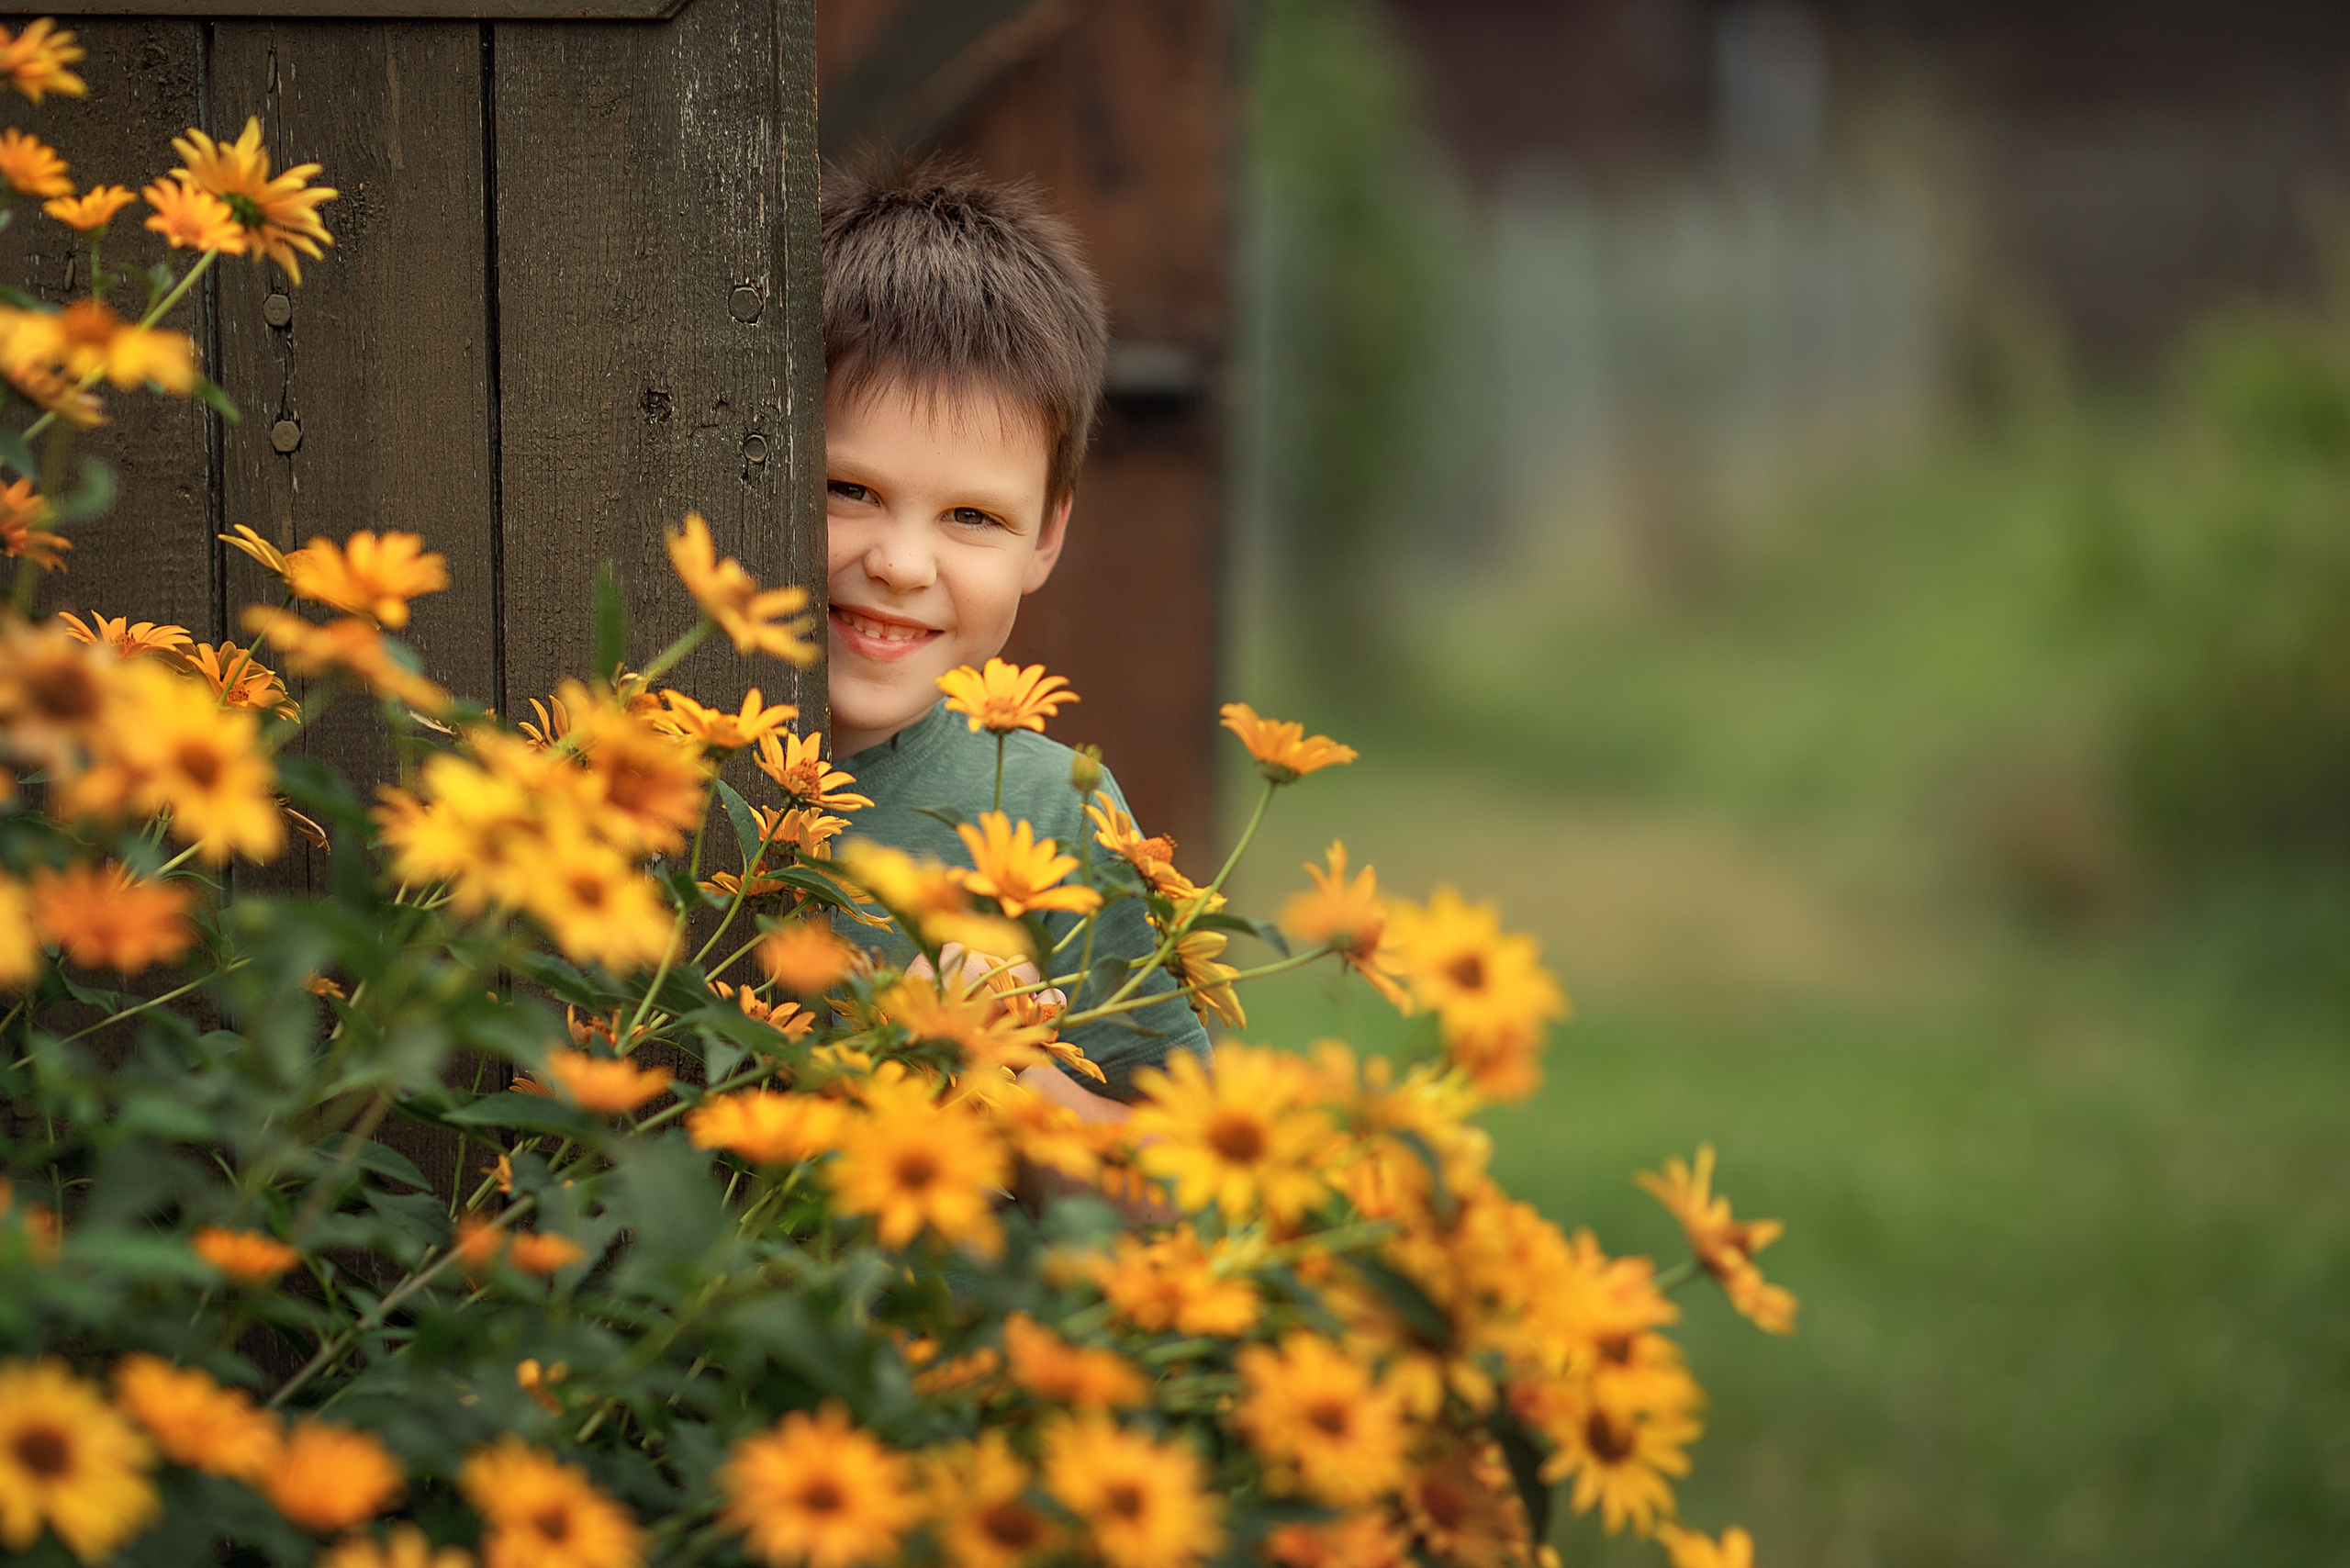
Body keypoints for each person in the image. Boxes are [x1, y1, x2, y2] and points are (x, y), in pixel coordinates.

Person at [815, 156, 1211, 1125]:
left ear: (1046, 537)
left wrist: (1011, 1075)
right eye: (847, 491)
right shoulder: (658, 750)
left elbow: (1186, 1175)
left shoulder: (1055, 817)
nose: (903, 563)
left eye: (971, 517)